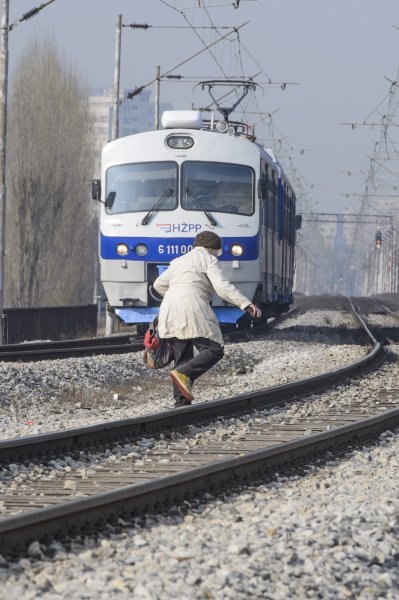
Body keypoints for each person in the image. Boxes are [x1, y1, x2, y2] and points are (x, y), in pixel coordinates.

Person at [153, 231, 262, 408]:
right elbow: (222, 287)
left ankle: (181, 403)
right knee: (214, 349)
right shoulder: (209, 259)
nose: (217, 254)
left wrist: (177, 294)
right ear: (211, 248)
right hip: (192, 308)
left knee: (182, 356)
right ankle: (184, 373)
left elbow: (158, 285)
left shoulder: (178, 261)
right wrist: (245, 304)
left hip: (168, 307)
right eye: (217, 251)